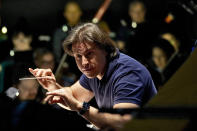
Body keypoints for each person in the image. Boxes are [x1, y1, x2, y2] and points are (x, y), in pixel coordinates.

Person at [29, 23, 157, 130]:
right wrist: (52, 87)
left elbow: (122, 123)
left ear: (105, 50)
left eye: (89, 54)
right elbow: (72, 97)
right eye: (78, 56)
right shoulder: (95, 70)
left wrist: (81, 107)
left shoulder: (127, 73)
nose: (84, 62)